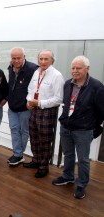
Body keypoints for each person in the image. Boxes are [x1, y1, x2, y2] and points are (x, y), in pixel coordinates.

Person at [52, 56, 104, 199]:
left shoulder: (97, 86)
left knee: (83, 159)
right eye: (73, 68)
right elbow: (67, 104)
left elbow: (101, 111)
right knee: (68, 155)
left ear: (87, 68)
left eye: (78, 68)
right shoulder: (68, 84)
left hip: (83, 130)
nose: (75, 71)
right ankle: (68, 176)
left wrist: (92, 126)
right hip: (66, 127)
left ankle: (81, 185)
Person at [24, 49, 65, 178]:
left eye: (46, 59)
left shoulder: (57, 76)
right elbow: (31, 89)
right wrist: (28, 101)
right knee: (34, 137)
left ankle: (44, 166)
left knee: (45, 140)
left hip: (46, 111)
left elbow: (59, 98)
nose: (43, 61)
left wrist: (40, 103)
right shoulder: (37, 72)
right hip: (34, 109)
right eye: (41, 59)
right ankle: (36, 160)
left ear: (52, 60)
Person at [7, 47, 38, 166]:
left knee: (24, 131)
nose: (16, 60)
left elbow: (36, 88)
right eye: (13, 58)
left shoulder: (33, 69)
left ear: (24, 57)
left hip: (25, 108)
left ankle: (18, 154)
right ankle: (18, 154)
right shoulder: (10, 67)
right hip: (12, 107)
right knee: (14, 130)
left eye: (18, 58)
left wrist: (31, 101)